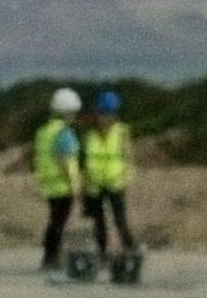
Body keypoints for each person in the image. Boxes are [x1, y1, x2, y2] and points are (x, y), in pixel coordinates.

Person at [78, 89, 136, 269]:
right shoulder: (89, 135)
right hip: (94, 185)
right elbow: (83, 161)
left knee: (120, 220)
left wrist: (127, 178)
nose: (106, 118)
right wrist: (83, 184)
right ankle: (102, 254)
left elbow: (128, 158)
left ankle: (131, 250)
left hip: (115, 182)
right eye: (103, 113)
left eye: (110, 113)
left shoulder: (122, 133)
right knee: (99, 223)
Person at [33, 86, 84, 270]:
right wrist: (75, 184)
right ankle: (53, 259)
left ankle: (48, 257)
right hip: (63, 185)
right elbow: (66, 161)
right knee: (59, 224)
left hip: (49, 184)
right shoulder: (63, 132)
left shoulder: (44, 131)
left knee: (54, 222)